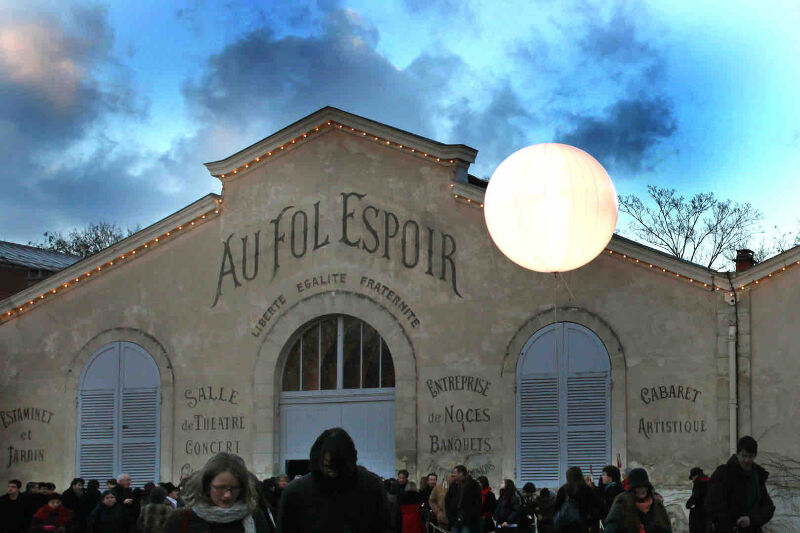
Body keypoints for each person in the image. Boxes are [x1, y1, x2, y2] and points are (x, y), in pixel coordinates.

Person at [277, 427, 390, 532]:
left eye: (337, 467)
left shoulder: (371, 487)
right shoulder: (295, 493)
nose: (332, 473)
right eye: (327, 466)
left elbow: (384, 527)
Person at [163, 453, 270, 533]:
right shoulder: (181, 520)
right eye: (220, 488)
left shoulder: (254, 517)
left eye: (234, 488)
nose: (227, 495)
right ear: (206, 486)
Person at [706, 435, 775, 532]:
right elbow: (712, 505)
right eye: (744, 456)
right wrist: (734, 522)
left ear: (755, 456)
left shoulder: (758, 476)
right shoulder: (723, 474)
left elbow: (768, 507)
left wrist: (751, 520)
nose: (746, 460)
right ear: (737, 454)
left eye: (750, 456)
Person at [603, 467, 671, 533]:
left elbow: (666, 528)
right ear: (632, 489)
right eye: (638, 487)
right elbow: (610, 528)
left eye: (644, 486)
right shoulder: (622, 504)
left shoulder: (657, 505)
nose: (642, 489)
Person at [553, 466, 598, 533]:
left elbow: (557, 507)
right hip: (582, 525)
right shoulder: (587, 489)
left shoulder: (563, 490)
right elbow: (595, 507)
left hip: (565, 526)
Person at [445, 465, 482, 533]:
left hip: (467, 521)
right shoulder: (453, 485)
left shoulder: (473, 485)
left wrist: (471, 516)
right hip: (454, 520)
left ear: (461, 473)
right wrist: (450, 516)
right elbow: (447, 501)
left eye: (455, 473)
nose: (453, 474)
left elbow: (478, 503)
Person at [685, 467, 709, 533]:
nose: (692, 480)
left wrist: (688, 504)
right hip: (709, 512)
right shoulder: (709, 480)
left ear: (695, 475)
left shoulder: (698, 482)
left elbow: (695, 497)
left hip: (700, 512)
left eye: (692, 477)